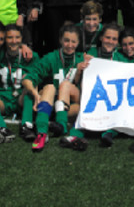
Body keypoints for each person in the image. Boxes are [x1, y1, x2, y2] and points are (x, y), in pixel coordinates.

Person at [22, 24, 89, 152]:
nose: (70, 45)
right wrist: (36, 95)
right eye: (66, 40)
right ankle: (42, 133)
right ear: (60, 40)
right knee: (50, 87)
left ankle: (62, 127)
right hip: (50, 104)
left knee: (72, 94)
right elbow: (28, 78)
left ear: (78, 42)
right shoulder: (51, 57)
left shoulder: (83, 59)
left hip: (70, 105)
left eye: (73, 41)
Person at [60, 23, 121, 150]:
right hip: (91, 98)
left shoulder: (121, 58)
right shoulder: (91, 54)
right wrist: (80, 69)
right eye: (107, 37)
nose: (110, 41)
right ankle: (75, 135)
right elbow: (78, 82)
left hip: (111, 101)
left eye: (114, 39)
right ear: (101, 38)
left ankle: (108, 133)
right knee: (87, 109)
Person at [0, 25, 39, 143]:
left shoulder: (32, 56)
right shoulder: (1, 54)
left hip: (21, 99)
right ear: (5, 39)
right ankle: (2, 129)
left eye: (17, 37)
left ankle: (26, 126)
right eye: (9, 37)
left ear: (22, 38)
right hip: (4, 98)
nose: (14, 41)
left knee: (29, 90)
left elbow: (35, 80)